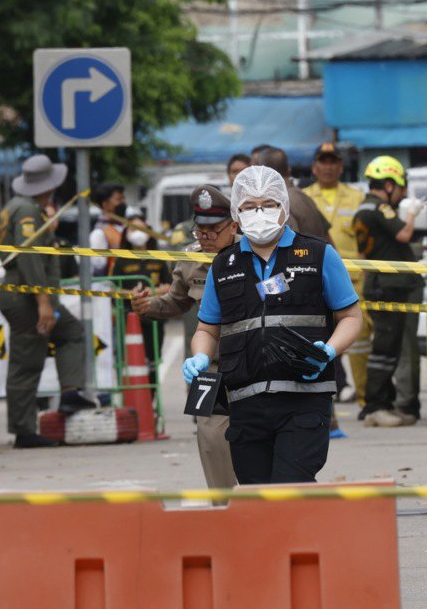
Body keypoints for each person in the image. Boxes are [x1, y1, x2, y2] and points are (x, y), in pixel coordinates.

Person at [186, 166, 363, 484]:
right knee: (257, 495)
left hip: (304, 399)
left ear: (284, 207)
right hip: (245, 404)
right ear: (236, 214)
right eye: (249, 206)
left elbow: (351, 317)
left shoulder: (319, 255)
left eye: (268, 204)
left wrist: (329, 350)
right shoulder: (223, 265)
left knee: (290, 486)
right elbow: (207, 329)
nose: (259, 212)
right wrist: (200, 356)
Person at [131, 185, 239, 490]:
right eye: (200, 230)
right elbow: (177, 300)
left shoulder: (252, 252)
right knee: (210, 440)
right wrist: (149, 305)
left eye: (213, 230)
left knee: (255, 441)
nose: (205, 237)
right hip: (209, 366)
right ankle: (225, 506)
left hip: (252, 362)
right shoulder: (191, 257)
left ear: (233, 226)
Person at [0, 154, 95, 448]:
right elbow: (29, 257)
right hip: (27, 297)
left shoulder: (23, 208)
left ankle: (69, 393)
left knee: (71, 332)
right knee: (27, 362)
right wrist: (42, 302)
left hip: (29, 294)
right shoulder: (27, 211)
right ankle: (23, 430)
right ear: (49, 186)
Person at [353, 156, 425, 427]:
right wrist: (411, 214)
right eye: (400, 186)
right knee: (385, 349)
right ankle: (375, 406)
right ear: (388, 184)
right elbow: (405, 234)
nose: (402, 193)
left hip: (378, 284)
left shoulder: (362, 209)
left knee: (387, 347)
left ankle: (383, 403)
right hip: (389, 286)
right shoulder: (379, 208)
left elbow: (364, 253)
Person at [303, 143, 369, 405]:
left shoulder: (357, 197)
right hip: (312, 278)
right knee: (317, 336)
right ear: (314, 167)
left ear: (341, 167)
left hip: (352, 280)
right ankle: (324, 395)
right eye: (323, 161)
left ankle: (364, 397)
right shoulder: (304, 198)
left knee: (359, 338)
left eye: (333, 162)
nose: (328, 167)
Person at [111, 214, 171, 386]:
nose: (137, 233)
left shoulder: (158, 258)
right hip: (128, 317)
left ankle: (151, 394)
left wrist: (151, 291)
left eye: (141, 228)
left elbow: (169, 286)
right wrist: (130, 294)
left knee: (152, 359)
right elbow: (113, 288)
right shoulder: (121, 260)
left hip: (154, 316)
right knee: (131, 358)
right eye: (133, 228)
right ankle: (130, 393)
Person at [257, 147, 331, 240]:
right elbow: (327, 238)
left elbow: (290, 244)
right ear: (288, 169)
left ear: (262, 174)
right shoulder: (304, 196)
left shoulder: (280, 203)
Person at [88, 182, 126, 275]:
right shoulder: (99, 233)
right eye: (118, 199)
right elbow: (98, 267)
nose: (123, 203)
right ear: (105, 204)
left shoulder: (126, 226)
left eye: (123, 199)